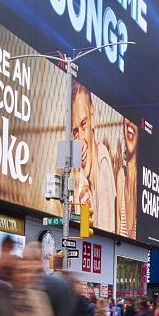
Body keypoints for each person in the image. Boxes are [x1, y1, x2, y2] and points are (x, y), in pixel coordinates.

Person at [71, 82, 117, 235]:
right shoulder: (79, 176)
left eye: (83, 125)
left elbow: (105, 234)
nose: (81, 141)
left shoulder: (102, 163)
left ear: (92, 115)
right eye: (75, 132)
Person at [115, 118, 139, 238]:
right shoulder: (121, 176)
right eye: (128, 117)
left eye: (135, 120)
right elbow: (117, 233)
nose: (131, 122)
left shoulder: (144, 182)